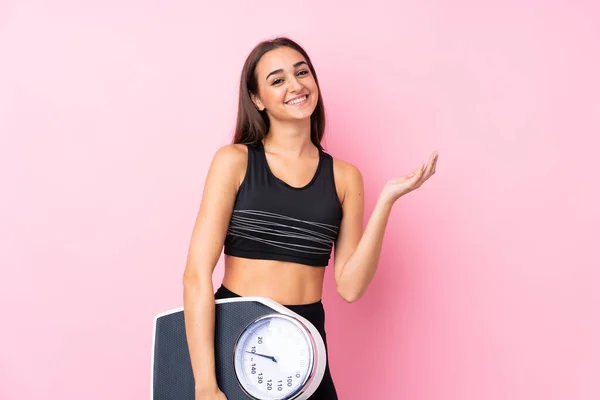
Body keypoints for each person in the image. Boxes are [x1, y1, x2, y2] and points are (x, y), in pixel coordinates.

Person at [182, 37, 438, 400]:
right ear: (257, 99)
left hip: (306, 340)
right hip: (237, 336)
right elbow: (195, 276)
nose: (295, 85)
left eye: (302, 72)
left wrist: (387, 201)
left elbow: (350, 287)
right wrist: (205, 384)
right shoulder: (234, 162)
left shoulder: (346, 177)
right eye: (277, 79)